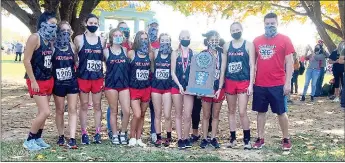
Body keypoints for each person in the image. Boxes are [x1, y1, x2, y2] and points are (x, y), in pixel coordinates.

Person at [252, 13, 294, 151]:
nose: (270, 25)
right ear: (264, 24)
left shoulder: (285, 40)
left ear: (277, 24)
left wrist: (287, 82)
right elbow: (253, 62)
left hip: (278, 83)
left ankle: (286, 138)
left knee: (281, 112)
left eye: (272, 23)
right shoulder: (256, 40)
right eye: (267, 23)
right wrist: (251, 81)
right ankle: (260, 138)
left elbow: (289, 62)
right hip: (260, 83)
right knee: (260, 112)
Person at [23, 11, 57, 151]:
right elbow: (26, 60)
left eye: (56, 24)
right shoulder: (34, 38)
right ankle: (29, 139)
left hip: (48, 78)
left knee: (42, 112)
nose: (54, 27)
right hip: (36, 80)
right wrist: (33, 81)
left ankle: (38, 138)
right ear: (43, 23)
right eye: (52, 24)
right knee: (45, 111)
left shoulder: (50, 39)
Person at [74, 14, 106, 144]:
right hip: (83, 77)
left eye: (95, 23)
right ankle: (84, 133)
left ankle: (98, 133)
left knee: (97, 105)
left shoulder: (102, 40)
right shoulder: (78, 39)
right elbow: (74, 55)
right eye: (91, 22)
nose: (93, 25)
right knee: (84, 105)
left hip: (97, 77)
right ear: (85, 23)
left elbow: (103, 58)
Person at [224, 22, 255, 149]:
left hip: (243, 81)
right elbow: (224, 66)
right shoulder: (227, 45)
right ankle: (233, 139)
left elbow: (252, 65)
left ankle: (247, 140)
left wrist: (251, 84)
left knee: (242, 111)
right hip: (230, 81)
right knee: (231, 111)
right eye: (233, 30)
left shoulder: (249, 45)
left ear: (242, 29)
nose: (235, 31)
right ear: (230, 32)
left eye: (237, 29)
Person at [52, 21, 79, 149]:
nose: (66, 33)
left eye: (68, 30)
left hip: (72, 82)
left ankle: (72, 138)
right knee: (60, 110)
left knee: (73, 109)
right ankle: (61, 135)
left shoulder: (72, 46)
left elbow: (76, 63)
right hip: (58, 83)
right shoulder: (53, 46)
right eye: (63, 30)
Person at [198, 30, 226, 149]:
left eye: (216, 39)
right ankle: (204, 138)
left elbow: (222, 73)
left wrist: (219, 88)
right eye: (212, 39)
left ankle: (213, 137)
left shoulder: (223, 55)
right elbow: (199, 73)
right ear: (208, 41)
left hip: (218, 87)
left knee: (216, 114)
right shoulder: (203, 54)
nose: (214, 41)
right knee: (205, 114)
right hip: (206, 88)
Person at [106, 21, 133, 140]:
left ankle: (123, 132)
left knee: (126, 111)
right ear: (111, 37)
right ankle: (114, 134)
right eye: (115, 36)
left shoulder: (126, 51)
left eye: (119, 35)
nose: (118, 37)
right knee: (113, 111)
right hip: (111, 84)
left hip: (124, 84)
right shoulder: (106, 51)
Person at [128, 31, 154, 147]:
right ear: (137, 40)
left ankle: (139, 138)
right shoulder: (131, 53)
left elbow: (151, 70)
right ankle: (131, 137)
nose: (144, 40)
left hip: (146, 88)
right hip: (134, 87)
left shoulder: (150, 54)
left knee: (143, 114)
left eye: (146, 38)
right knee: (137, 114)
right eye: (142, 38)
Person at [171, 30, 194, 149]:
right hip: (177, 86)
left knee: (187, 114)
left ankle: (186, 137)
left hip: (189, 88)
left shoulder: (192, 53)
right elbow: (172, 72)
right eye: (183, 37)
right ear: (179, 39)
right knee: (178, 114)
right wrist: (179, 85)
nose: (186, 39)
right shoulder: (175, 53)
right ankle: (180, 139)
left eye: (188, 37)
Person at [151, 33, 173, 147]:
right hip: (156, 87)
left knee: (167, 114)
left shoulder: (173, 54)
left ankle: (169, 136)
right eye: (163, 40)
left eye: (167, 40)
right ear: (159, 41)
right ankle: (158, 137)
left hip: (167, 88)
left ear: (170, 41)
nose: (165, 42)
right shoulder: (155, 52)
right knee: (157, 114)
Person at [147, 18, 160, 143]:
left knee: (154, 107)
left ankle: (154, 131)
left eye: (156, 27)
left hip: (156, 80)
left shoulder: (161, 43)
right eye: (151, 26)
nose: (153, 29)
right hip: (142, 80)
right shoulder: (142, 41)